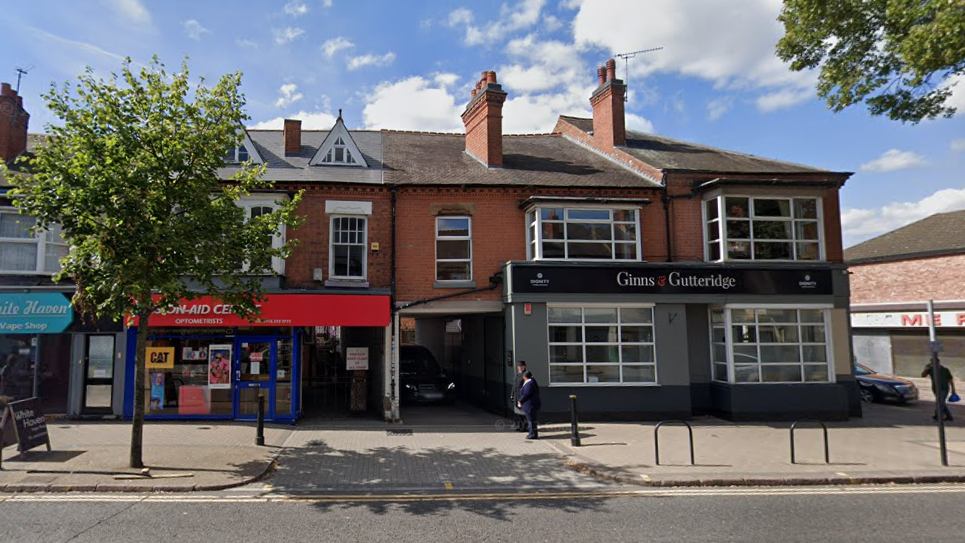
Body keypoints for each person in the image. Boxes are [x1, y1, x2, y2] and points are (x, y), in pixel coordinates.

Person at [517, 370, 541, 439]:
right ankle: (532, 433)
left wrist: (520, 401)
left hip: (530, 405)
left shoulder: (529, 383)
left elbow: (526, 394)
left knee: (531, 420)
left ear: (525, 377)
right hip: (531, 405)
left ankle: (532, 435)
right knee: (532, 420)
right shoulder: (532, 381)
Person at [510, 361, 528, 432]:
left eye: (521, 366)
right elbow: (514, 385)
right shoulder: (517, 374)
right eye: (518, 366)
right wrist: (512, 394)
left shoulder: (526, 374)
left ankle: (525, 427)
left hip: (522, 396)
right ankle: (520, 426)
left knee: (523, 413)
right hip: (516, 396)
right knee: (518, 413)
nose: (519, 367)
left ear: (524, 367)